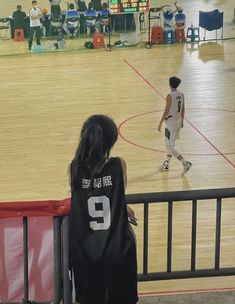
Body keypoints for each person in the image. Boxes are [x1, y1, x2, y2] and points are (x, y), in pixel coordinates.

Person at [69, 115, 138, 304]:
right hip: (117, 248)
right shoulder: (119, 165)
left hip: (85, 251)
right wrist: (122, 206)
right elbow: (114, 193)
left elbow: (88, 194)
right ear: (112, 140)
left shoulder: (74, 168)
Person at [158, 77, 192, 175]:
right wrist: (182, 121)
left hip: (170, 123)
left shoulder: (169, 96)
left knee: (169, 146)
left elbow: (166, 111)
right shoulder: (181, 95)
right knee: (172, 144)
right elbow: (183, 109)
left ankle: (185, 163)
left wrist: (160, 122)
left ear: (169, 84)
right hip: (178, 121)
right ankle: (166, 163)